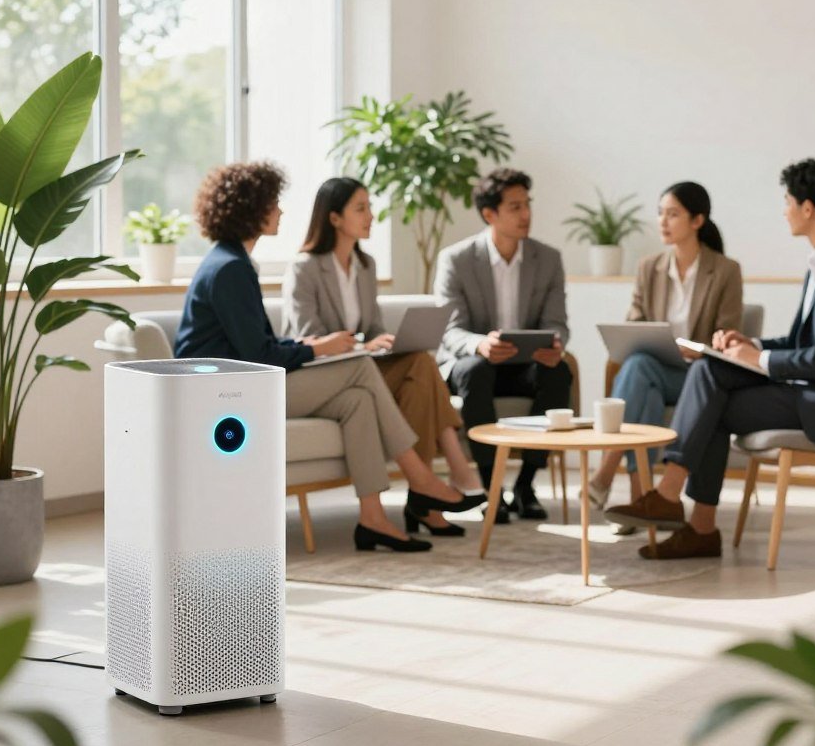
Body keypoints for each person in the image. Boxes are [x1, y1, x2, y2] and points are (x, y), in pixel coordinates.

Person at [174, 161, 485, 553]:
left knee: (357, 400)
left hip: (243, 383)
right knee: (359, 368)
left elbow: (257, 346)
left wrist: (310, 345)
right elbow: (259, 355)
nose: (280, 210)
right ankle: (421, 479)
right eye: (273, 203)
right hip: (227, 395)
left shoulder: (232, 262)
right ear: (250, 209)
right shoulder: (231, 269)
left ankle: (372, 518)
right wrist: (319, 347)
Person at [605, 158, 815, 559]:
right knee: (711, 371)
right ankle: (686, 514)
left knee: (713, 399)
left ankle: (685, 512)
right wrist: (749, 342)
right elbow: (800, 340)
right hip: (812, 390)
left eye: (788, 202)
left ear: (808, 208)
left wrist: (759, 359)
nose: (784, 211)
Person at [282, 176, 484, 537]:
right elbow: (310, 337)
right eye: (360, 208)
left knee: (420, 362)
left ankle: (429, 491)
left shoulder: (366, 265)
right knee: (418, 371)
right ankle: (442, 482)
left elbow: (372, 326)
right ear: (334, 218)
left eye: (369, 207)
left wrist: (382, 341)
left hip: (364, 366)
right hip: (325, 376)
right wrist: (363, 347)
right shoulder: (305, 268)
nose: (370, 216)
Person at [588, 182, 742, 533]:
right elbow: (634, 323)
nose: (663, 221)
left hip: (699, 378)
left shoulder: (725, 270)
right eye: (660, 213)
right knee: (642, 375)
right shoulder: (649, 267)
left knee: (639, 371)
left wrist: (695, 348)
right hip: (657, 371)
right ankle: (641, 497)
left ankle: (607, 473)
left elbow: (728, 337)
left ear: (697, 220)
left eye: (673, 214)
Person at [433, 168, 572, 523]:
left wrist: (555, 343)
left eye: (527, 204)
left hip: (524, 365)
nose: (526, 214)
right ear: (489, 214)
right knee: (475, 371)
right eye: (515, 207)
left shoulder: (548, 259)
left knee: (559, 370)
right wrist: (481, 344)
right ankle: (489, 486)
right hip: (475, 364)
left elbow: (557, 322)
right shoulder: (457, 259)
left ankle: (525, 485)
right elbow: (450, 330)